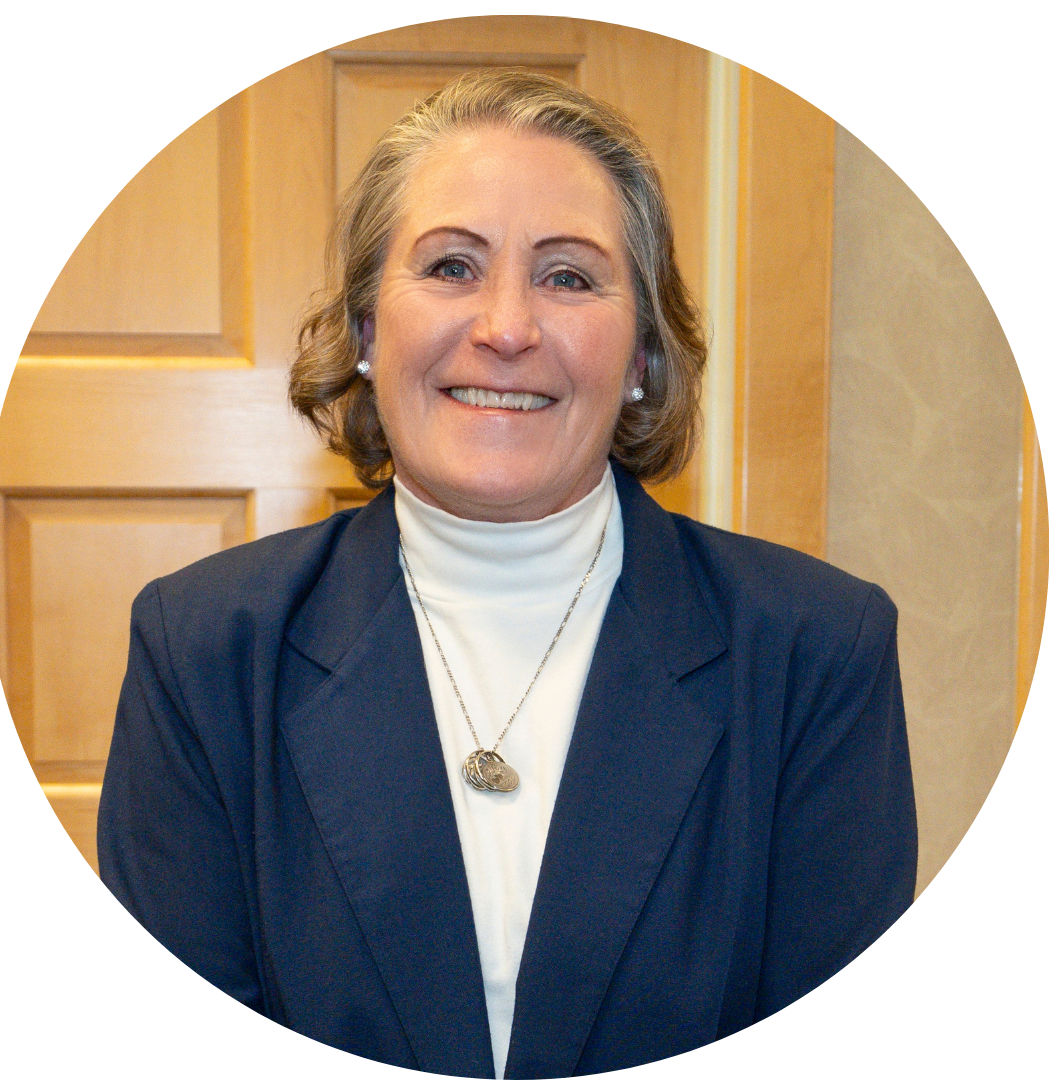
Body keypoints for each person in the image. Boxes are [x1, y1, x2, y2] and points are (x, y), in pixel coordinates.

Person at [98, 69, 917, 1080]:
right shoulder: (203, 648)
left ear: (642, 356)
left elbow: (828, 1052)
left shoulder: (819, 652)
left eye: (568, 277)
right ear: (367, 331)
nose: (507, 327)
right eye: (452, 266)